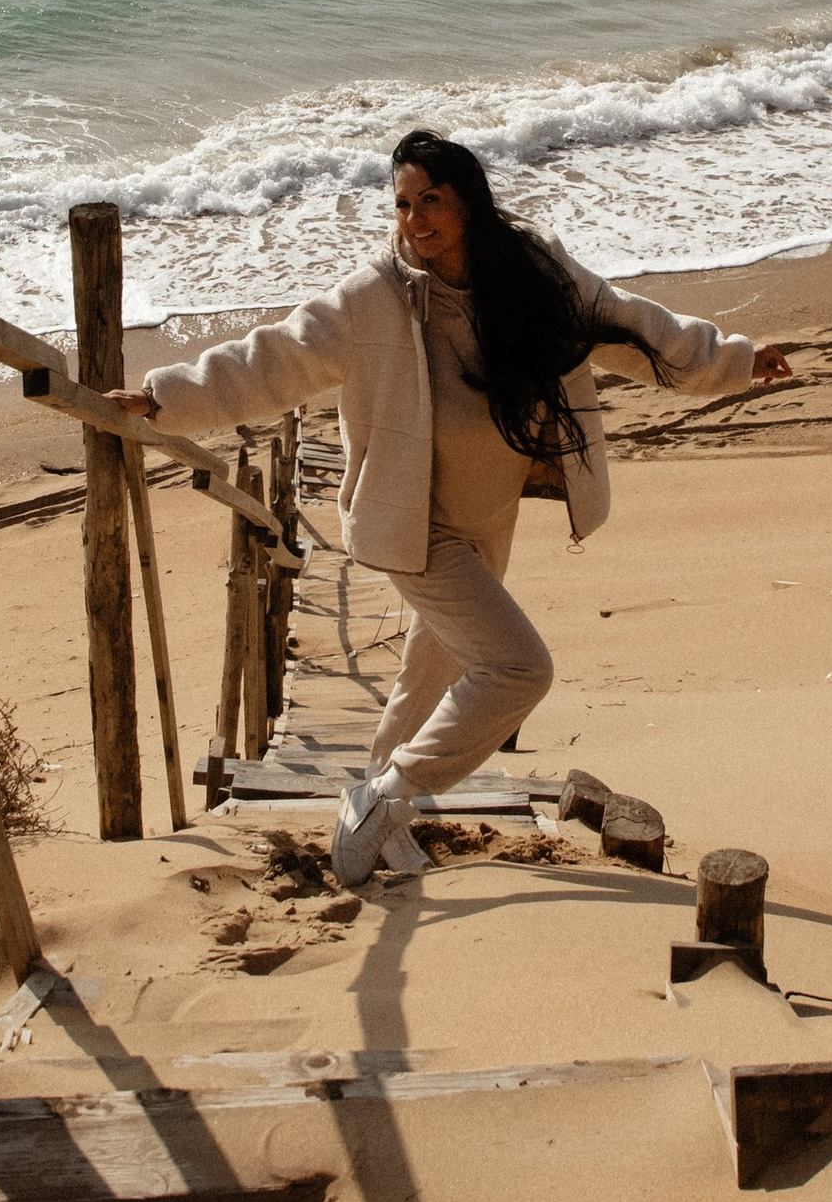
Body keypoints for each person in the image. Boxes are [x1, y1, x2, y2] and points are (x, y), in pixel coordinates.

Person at [105, 131, 792, 885]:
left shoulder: (533, 270)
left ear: (468, 199)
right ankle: (387, 797)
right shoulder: (372, 299)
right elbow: (275, 359)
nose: (415, 219)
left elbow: (626, 325)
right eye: (402, 203)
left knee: (428, 676)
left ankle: (373, 819)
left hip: (488, 512)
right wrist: (165, 397)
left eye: (430, 199)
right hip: (412, 525)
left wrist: (731, 359)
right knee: (518, 668)